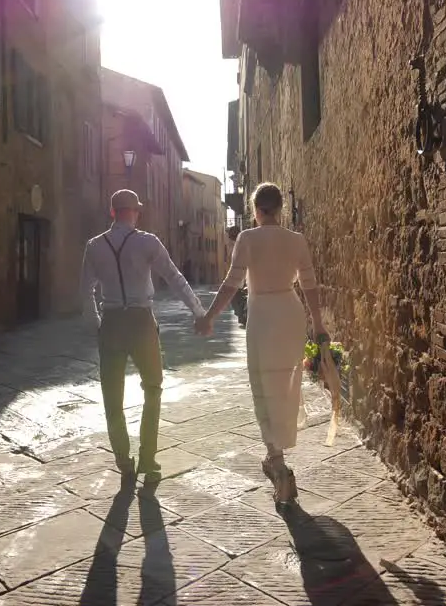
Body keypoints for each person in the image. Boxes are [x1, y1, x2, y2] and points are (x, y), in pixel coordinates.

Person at [195, 183, 329, 506]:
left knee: (264, 388)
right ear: (280, 209)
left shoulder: (247, 239)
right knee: (286, 387)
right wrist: (319, 324)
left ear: (255, 211)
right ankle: (279, 458)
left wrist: (209, 316)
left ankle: (278, 464)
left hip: (263, 318)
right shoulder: (296, 241)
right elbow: (309, 286)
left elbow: (232, 283)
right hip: (291, 315)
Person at [80, 189, 207, 487]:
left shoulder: (94, 246)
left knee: (113, 395)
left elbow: (85, 291)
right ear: (135, 212)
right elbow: (175, 277)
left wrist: (97, 323)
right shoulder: (148, 242)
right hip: (141, 322)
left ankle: (123, 460)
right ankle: (148, 458)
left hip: (111, 322)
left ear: (112, 212)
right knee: (152, 388)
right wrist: (198, 311)